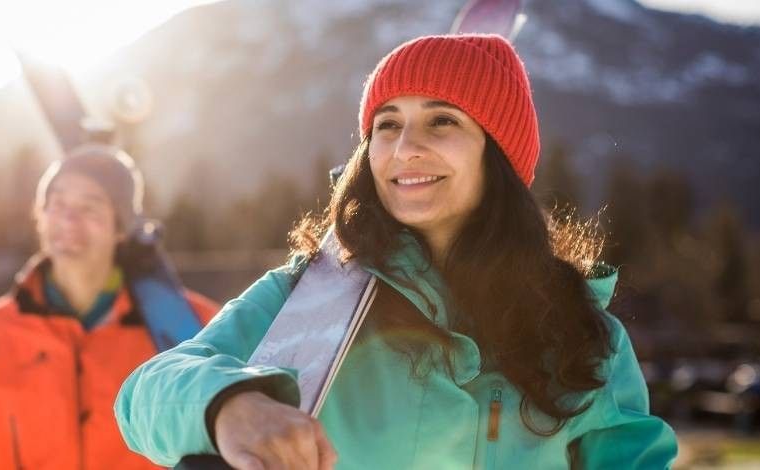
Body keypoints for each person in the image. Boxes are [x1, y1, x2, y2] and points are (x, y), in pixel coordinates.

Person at [114, 34, 678, 469]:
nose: (406, 148)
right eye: (388, 125)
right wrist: (228, 406)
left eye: (442, 121)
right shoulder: (314, 293)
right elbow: (144, 394)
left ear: (499, 156)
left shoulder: (583, 335)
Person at [0, 144, 219, 469]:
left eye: (90, 208)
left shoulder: (192, 327)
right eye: (57, 203)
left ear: (120, 229)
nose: (68, 219)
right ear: (40, 215)